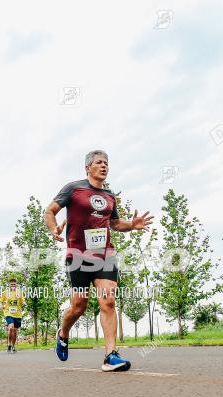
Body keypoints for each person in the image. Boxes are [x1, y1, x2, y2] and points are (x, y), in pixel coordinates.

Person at [44, 150, 153, 372]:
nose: (104, 166)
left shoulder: (110, 196)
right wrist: (53, 228)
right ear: (87, 168)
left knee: (109, 301)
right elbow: (50, 211)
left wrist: (131, 225)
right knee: (79, 306)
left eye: (106, 163)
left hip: (105, 255)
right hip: (77, 255)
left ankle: (110, 355)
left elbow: (114, 224)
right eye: (98, 162)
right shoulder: (73, 189)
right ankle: (63, 333)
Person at [0, 278, 26, 353]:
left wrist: (24, 303)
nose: (13, 285)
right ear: (9, 285)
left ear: (16, 285)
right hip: (8, 313)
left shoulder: (19, 292)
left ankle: (13, 346)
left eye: (14, 284)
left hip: (17, 314)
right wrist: (1, 306)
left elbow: (23, 300)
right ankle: (9, 345)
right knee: (11, 327)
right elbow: (1, 301)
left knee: (15, 331)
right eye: (11, 284)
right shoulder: (5, 292)